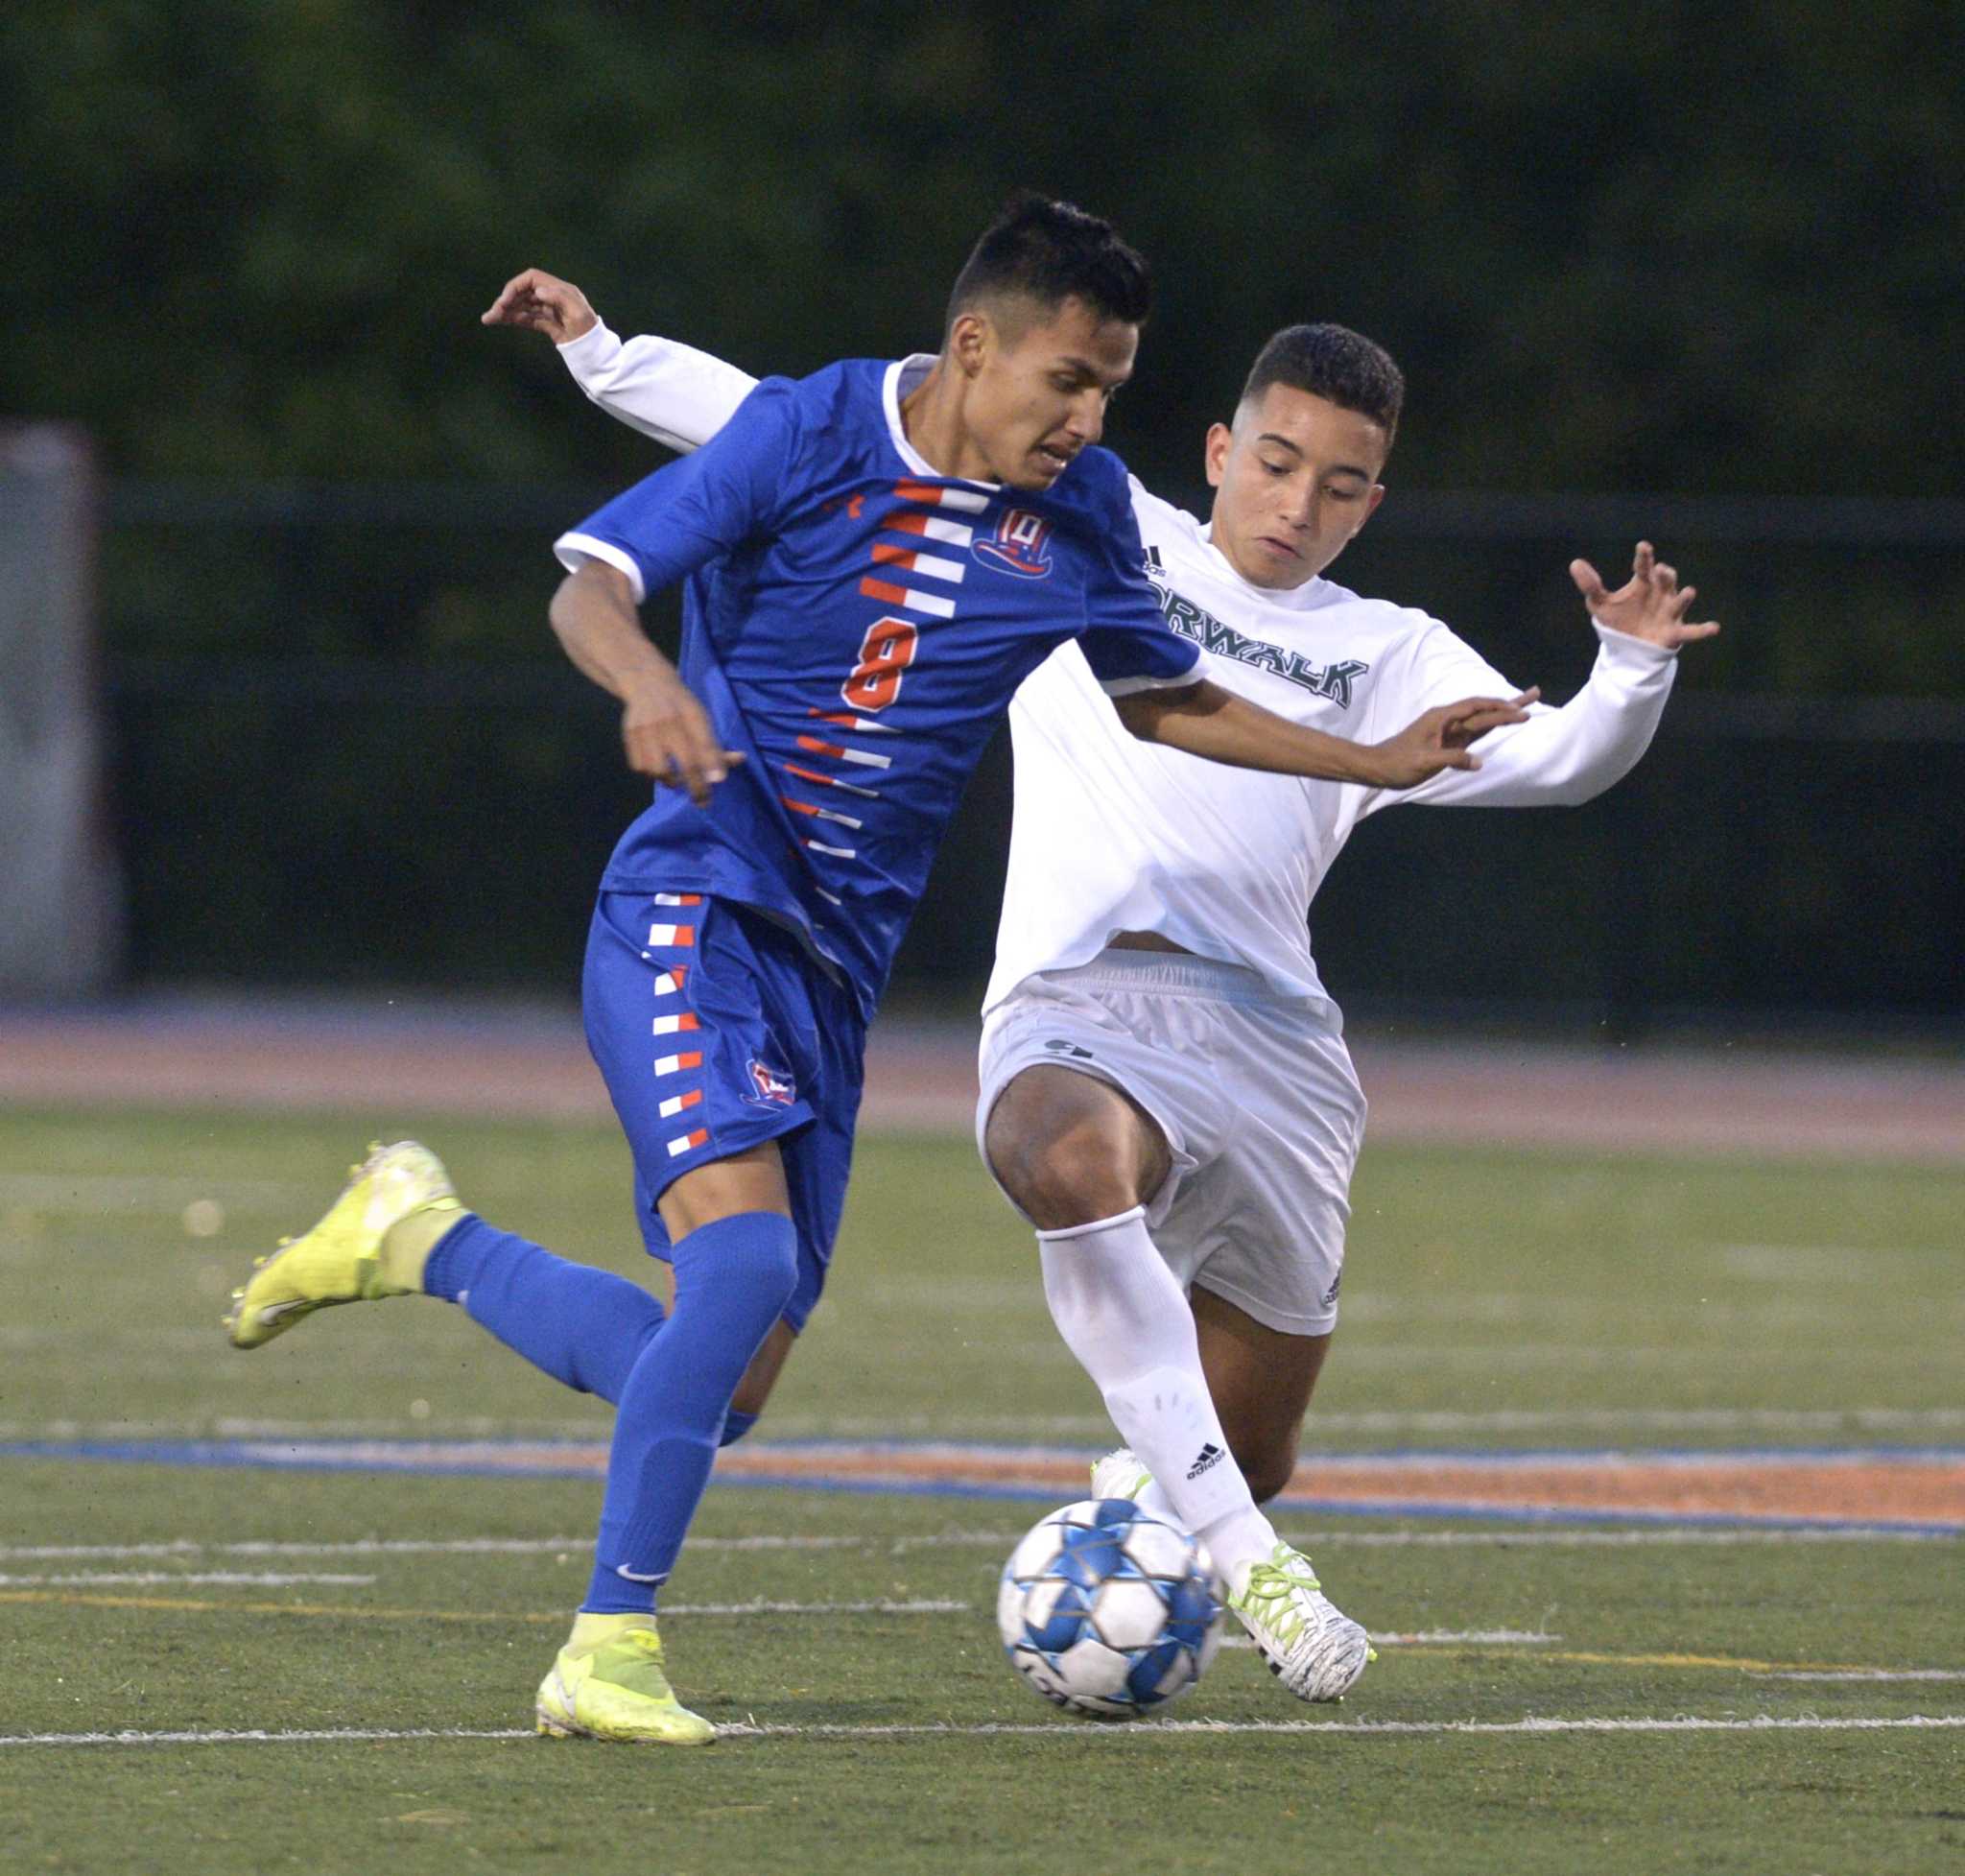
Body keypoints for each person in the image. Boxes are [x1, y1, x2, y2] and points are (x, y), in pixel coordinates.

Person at [225, 194, 1527, 1745]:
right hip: (691, 909)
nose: (1090, 416)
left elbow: (1159, 701)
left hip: (830, 980)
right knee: (747, 1273)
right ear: (974, 349)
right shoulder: (811, 435)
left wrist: (1369, 759)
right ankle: (605, 1651)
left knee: (721, 1373)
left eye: (1112, 386)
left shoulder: (1088, 511)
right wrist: (645, 682)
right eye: (1068, 380)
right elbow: (590, 582)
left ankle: (419, 1235)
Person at [485, 269, 1716, 1706]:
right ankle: (1245, 1560)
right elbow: (777, 423)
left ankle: (1185, 1490)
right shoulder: (1094, 517)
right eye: (1274, 464)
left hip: (1273, 1045)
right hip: (1081, 999)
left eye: (1338, 486)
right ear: (1216, 452)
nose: (1295, 505)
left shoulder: (1394, 650)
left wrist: (1627, 671)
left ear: (1369, 504)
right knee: (1058, 1156)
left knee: (1250, 1442)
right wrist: (610, 357)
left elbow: (1556, 758)